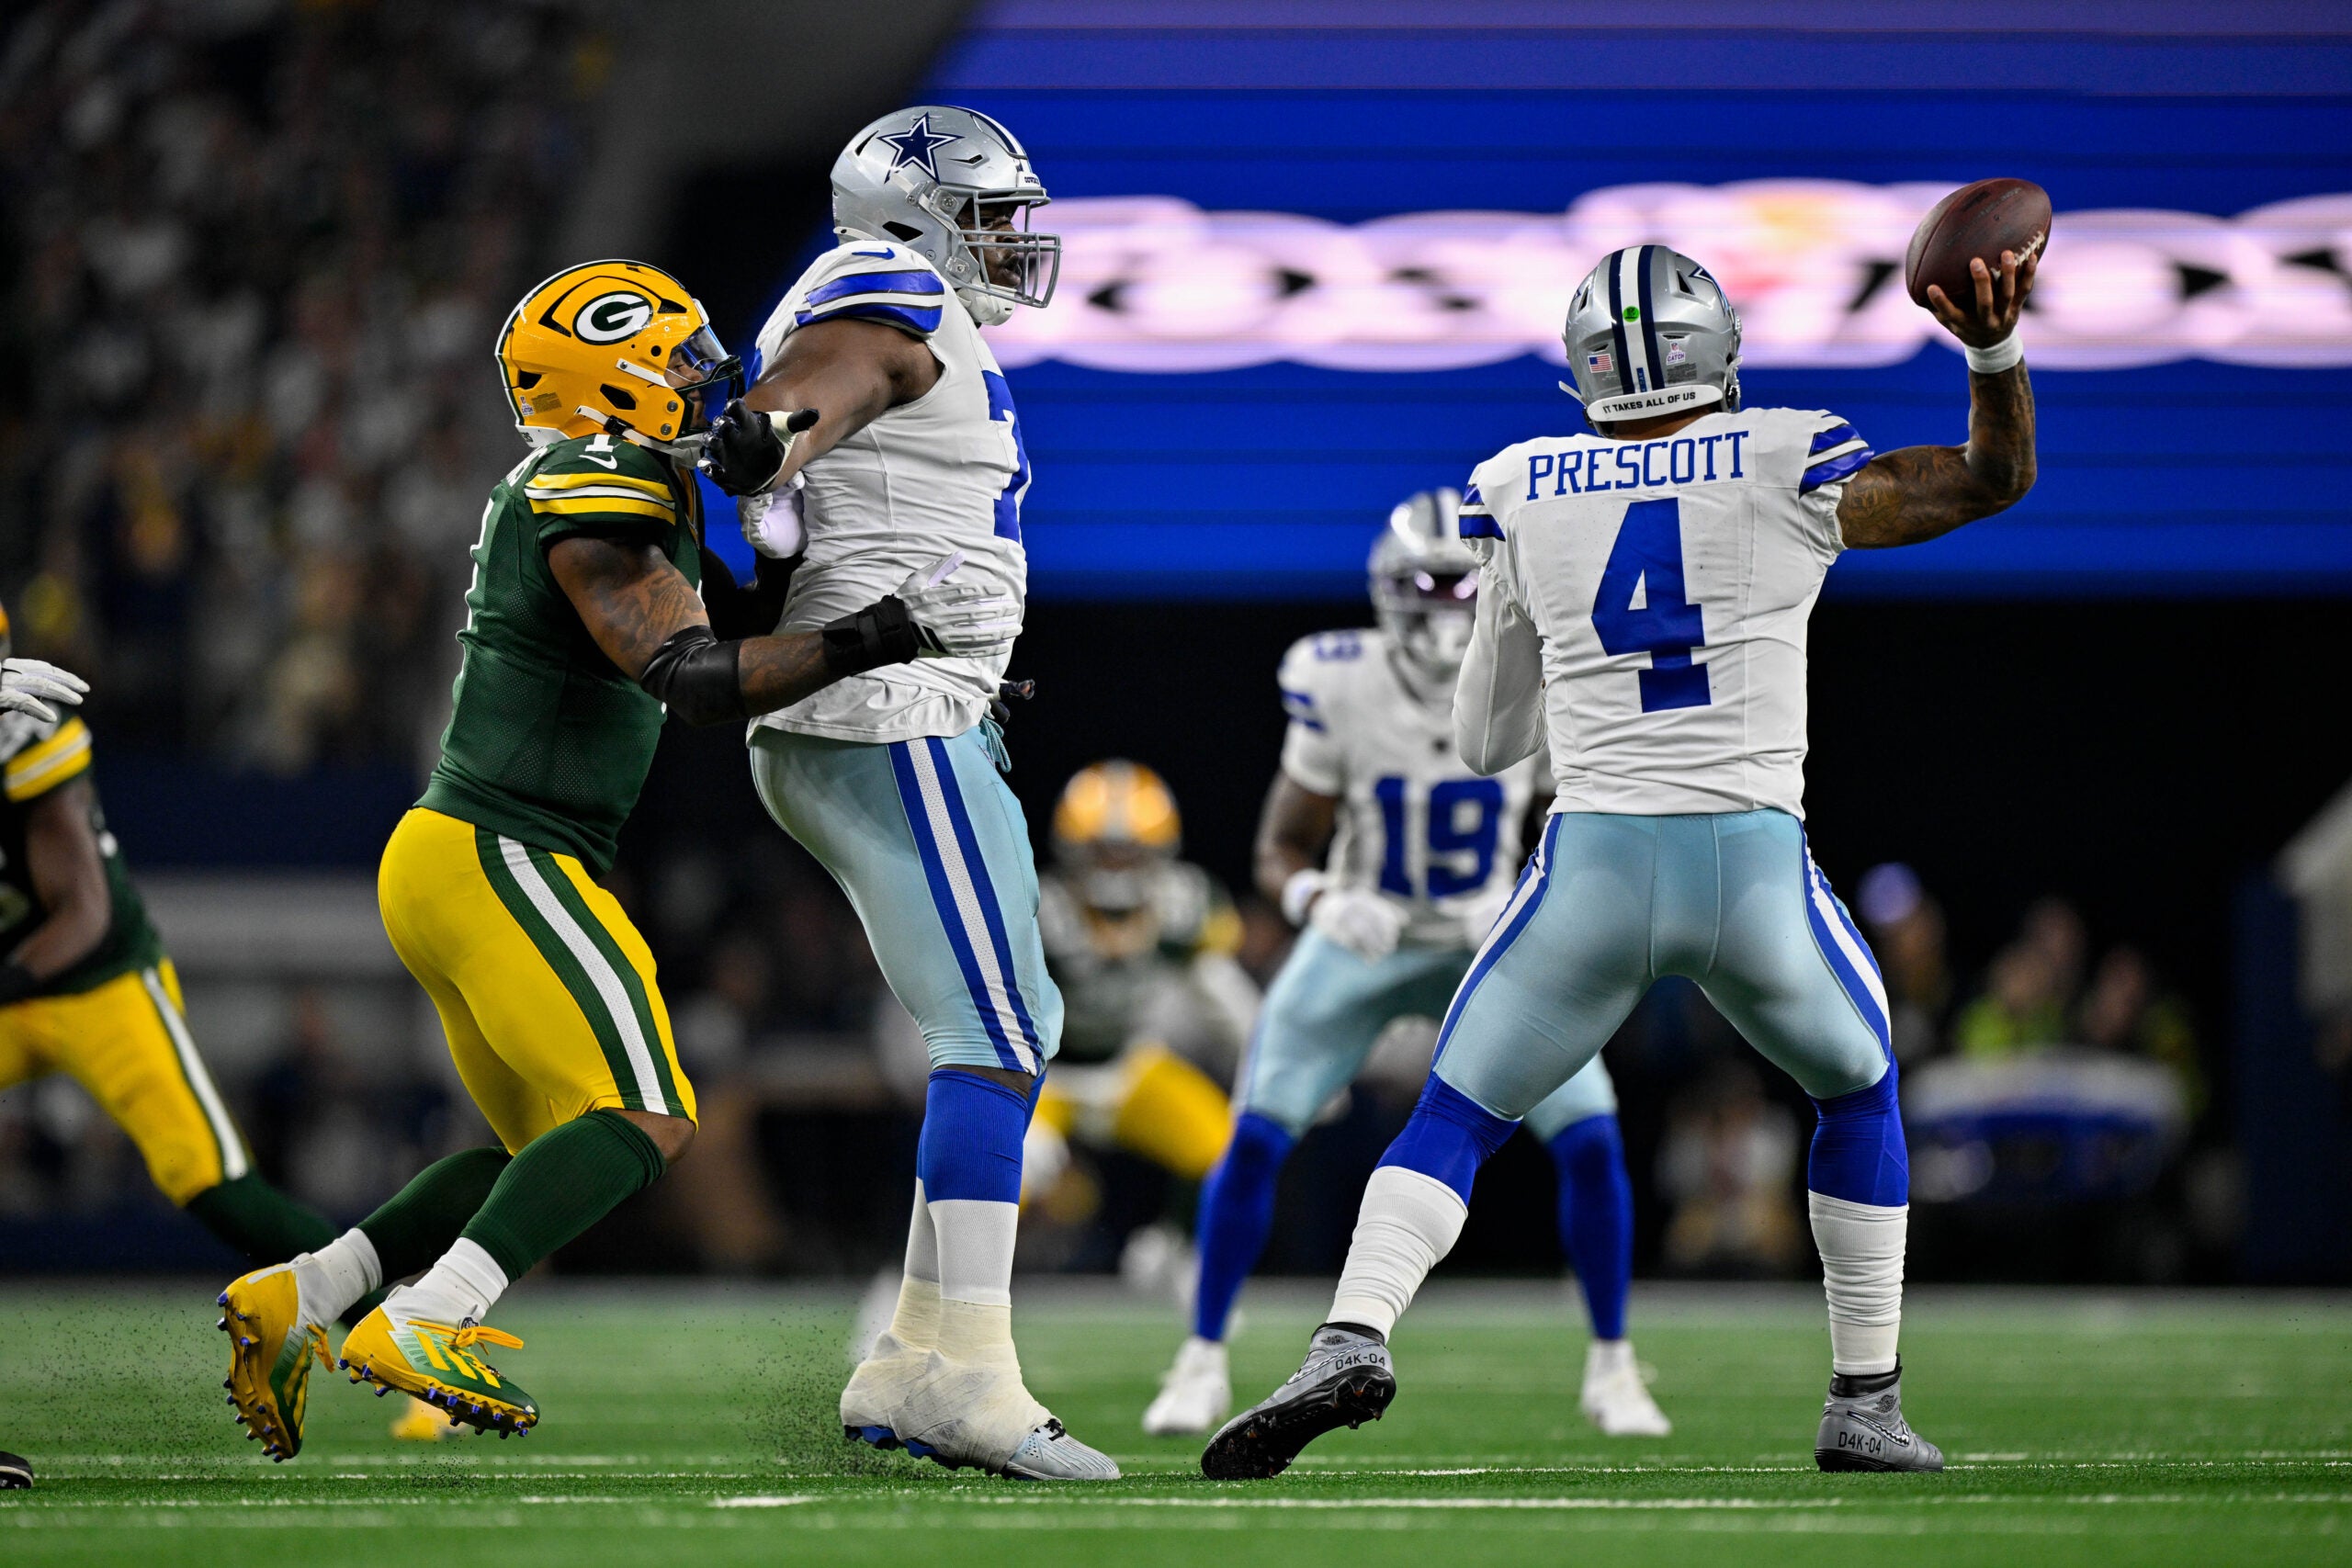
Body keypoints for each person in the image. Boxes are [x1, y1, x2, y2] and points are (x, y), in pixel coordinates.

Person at [1206, 238, 2038, 1479]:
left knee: (1456, 1112)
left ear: (1583, 369)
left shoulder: (1522, 482)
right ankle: (1863, 1398)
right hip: (1751, 865)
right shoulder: (1786, 451)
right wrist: (1992, 345)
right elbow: (1989, 480)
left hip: (1591, 865)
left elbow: (1487, 741)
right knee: (1857, 1089)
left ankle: (1349, 1329)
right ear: (1721, 352)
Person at [216, 259, 1013, 1461]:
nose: (713, 381)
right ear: (615, 382)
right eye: (682, 362)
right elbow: (688, 678)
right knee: (648, 1113)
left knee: (543, 1153)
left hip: (474, 852)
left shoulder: (618, 476)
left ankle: (305, 1294)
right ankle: (427, 1315)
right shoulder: (595, 473)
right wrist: (884, 631)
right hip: (505, 847)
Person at [696, 106, 1116, 1482]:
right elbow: (834, 384)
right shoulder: (890, 288)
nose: (1011, 241)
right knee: (992, 1028)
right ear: (915, 212)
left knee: (1013, 1016)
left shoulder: (909, 297)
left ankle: (909, 1358)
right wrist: (774, 437)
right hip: (888, 712)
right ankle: (975, 1377)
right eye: (990, 212)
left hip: (901, 711)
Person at [1142, 491, 1668, 1439]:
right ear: (1387, 590)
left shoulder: (1544, 673)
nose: (1446, 603)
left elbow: (1594, 818)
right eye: (1426, 583)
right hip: (1365, 937)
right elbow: (1279, 848)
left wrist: (1529, 896)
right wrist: (1318, 901)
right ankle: (1202, 1355)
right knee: (1254, 1133)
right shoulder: (1337, 677)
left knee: (1590, 1137)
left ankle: (1614, 1363)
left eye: (1464, 584)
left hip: (1487, 937)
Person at [0, 606, 375, 1298]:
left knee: (211, 1181)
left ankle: (394, 1331)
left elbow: (84, 913)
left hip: (93, 978)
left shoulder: (28, 733)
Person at [1035, 760, 1254, 1198]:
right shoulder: (1040, 912)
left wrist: (1274, 1060)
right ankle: (942, 1267)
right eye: (1103, 852)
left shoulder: (1181, 906)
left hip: (1127, 1065)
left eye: (1130, 854)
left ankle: (1174, 1252)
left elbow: (1222, 993)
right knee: (1005, 1166)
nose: (1116, 868)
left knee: (1229, 1155)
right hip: (1039, 1077)